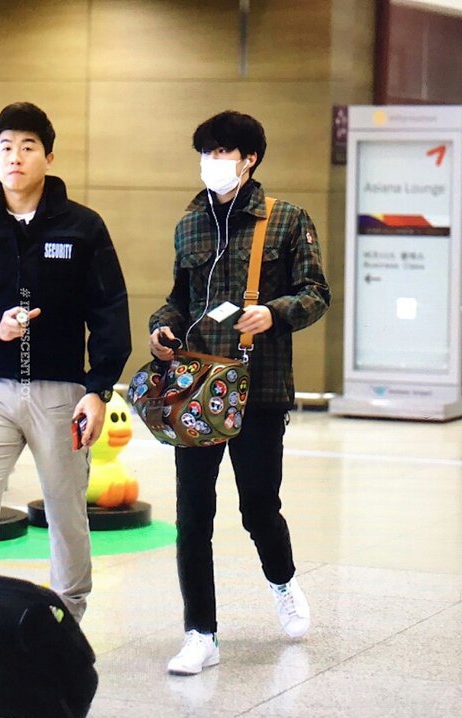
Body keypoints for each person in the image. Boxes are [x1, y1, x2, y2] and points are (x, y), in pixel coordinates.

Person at [149, 110, 331, 675]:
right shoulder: (189, 225)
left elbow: (316, 293)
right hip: (195, 388)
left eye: (223, 152)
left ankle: (283, 582)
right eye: (206, 152)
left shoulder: (286, 219)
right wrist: (162, 327)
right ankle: (200, 633)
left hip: (260, 387)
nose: (212, 162)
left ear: (249, 159)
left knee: (258, 508)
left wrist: (273, 313)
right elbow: (179, 299)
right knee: (192, 515)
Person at [0, 102, 131, 622]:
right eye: (5, 147)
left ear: (48, 156)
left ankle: (69, 614)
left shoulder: (82, 227)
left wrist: (98, 388)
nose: (15, 157)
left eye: (27, 147)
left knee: (66, 508)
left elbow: (109, 308)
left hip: (61, 393)